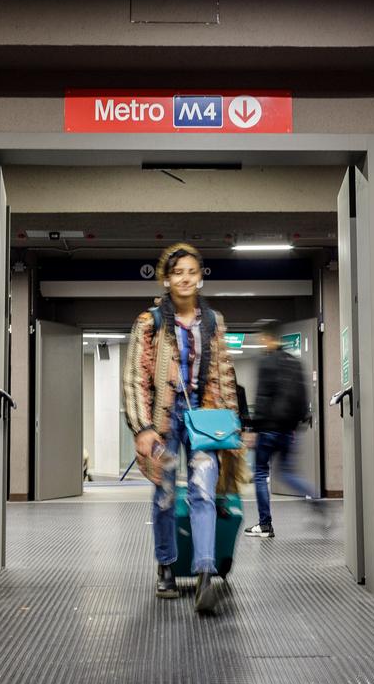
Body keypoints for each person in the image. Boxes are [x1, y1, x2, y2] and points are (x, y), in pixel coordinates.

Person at [123, 243, 243, 613]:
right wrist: (142, 427)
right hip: (163, 420)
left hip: (204, 419)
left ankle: (205, 571)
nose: (186, 278)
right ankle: (166, 564)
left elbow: (224, 373)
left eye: (192, 271)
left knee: (203, 492)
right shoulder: (150, 322)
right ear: (166, 278)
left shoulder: (213, 321)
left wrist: (232, 425)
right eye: (178, 272)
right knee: (164, 494)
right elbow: (135, 377)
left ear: (200, 278)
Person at [243, 319, 323, 538]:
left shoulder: (265, 362)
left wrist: (253, 429)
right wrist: (295, 425)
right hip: (288, 430)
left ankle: (265, 525)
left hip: (267, 429)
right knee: (287, 473)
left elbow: (261, 398)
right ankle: (314, 497)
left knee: (260, 473)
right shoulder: (294, 362)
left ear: (266, 338)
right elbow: (303, 397)